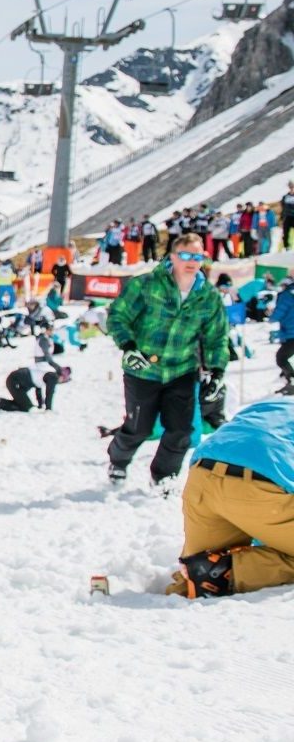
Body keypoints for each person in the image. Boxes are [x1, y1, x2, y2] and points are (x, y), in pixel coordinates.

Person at [105, 232, 228, 486]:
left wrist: (217, 372)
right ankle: (118, 461)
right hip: (143, 370)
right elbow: (118, 316)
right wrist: (128, 347)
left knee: (181, 431)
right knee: (139, 428)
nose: (191, 261)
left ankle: (163, 475)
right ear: (173, 257)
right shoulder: (146, 284)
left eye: (197, 256)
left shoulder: (208, 297)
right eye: (185, 255)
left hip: (181, 370)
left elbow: (217, 336)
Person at [166, 396, 294, 597]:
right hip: (260, 488)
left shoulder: (272, 405)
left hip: (202, 479)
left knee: (198, 572)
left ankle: (196, 580)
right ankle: (227, 573)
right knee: (219, 573)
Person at [272, 285, 294, 396]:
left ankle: (292, 383)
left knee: (281, 358)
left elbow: (278, 313)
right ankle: (289, 382)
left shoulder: (287, 295)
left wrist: (271, 316)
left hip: (291, 333)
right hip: (289, 332)